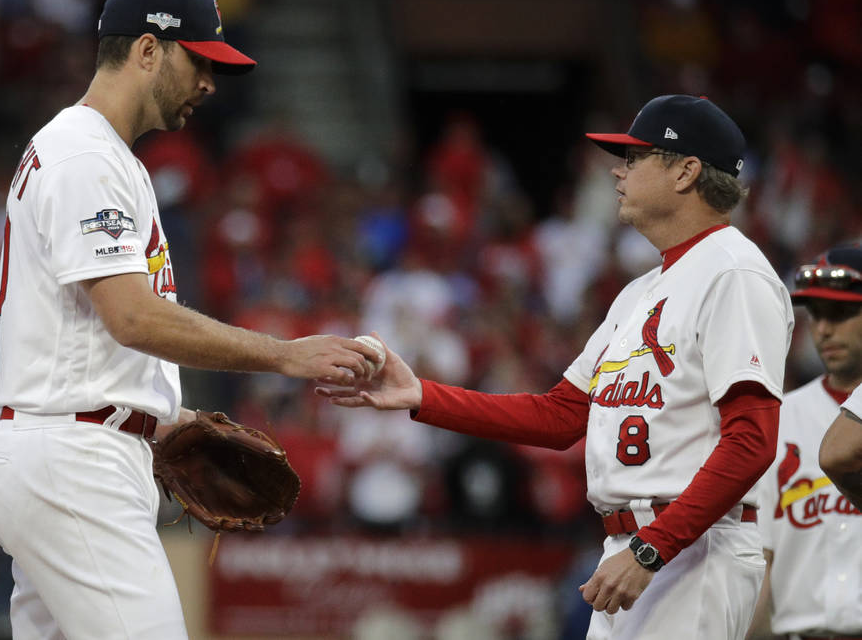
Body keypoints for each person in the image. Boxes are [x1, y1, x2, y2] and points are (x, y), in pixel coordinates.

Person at [0, 0, 376, 639]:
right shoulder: (86, 154)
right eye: (198, 59)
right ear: (145, 50)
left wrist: (163, 414)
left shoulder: (99, 153)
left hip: (70, 445)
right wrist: (283, 354)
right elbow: (132, 317)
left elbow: (90, 333)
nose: (210, 82)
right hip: (74, 461)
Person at [320, 95, 794, 640]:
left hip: (689, 547)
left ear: (686, 171)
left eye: (636, 157)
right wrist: (421, 395)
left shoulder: (733, 272)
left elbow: (752, 441)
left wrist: (650, 549)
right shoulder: (641, 291)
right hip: (636, 548)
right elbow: (560, 416)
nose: (619, 169)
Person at [747, 245, 862, 639]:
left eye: (840, 313)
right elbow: (761, 560)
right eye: (815, 315)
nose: (824, 329)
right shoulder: (780, 420)